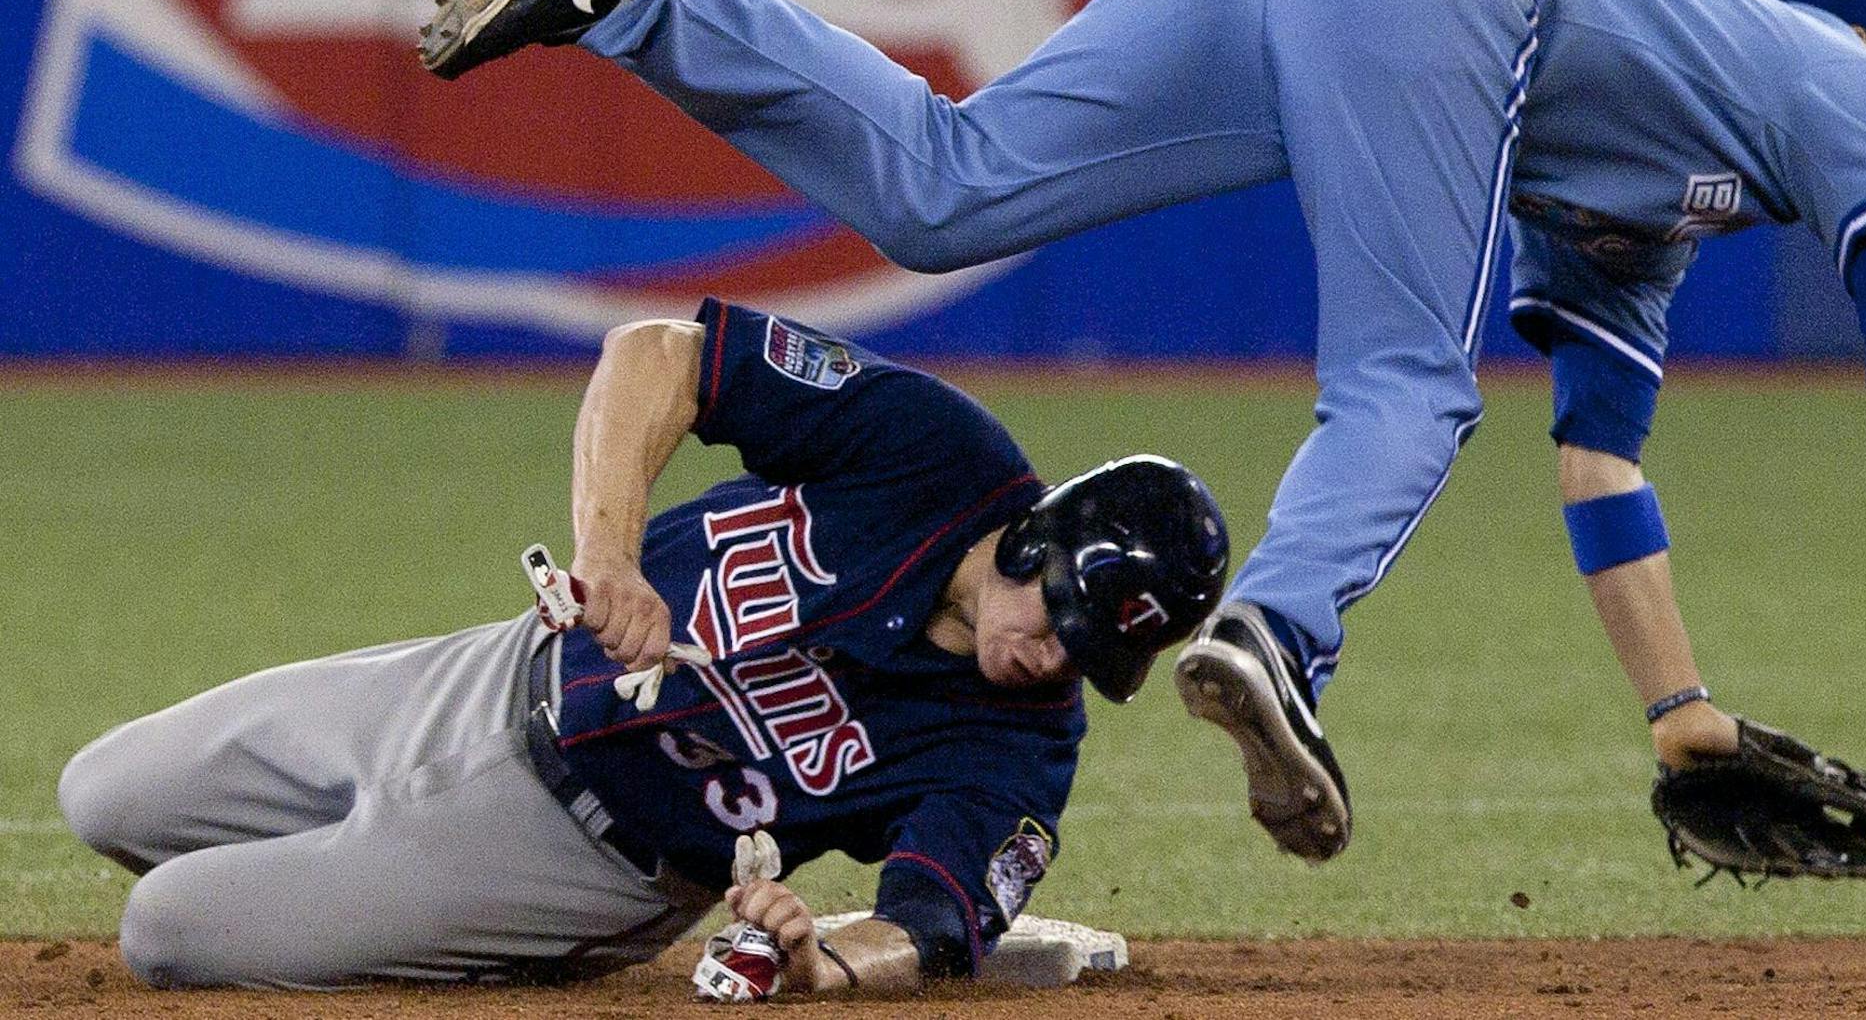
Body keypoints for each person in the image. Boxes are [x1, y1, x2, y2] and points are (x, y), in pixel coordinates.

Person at [420, 0, 1866, 865]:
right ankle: (1277, 641)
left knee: (951, 192)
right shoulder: (1832, 81)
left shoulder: (1661, 181)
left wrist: (1677, 716)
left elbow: (1602, 461)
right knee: (1407, 388)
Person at [56, 297, 1230, 991]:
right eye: (1063, 622)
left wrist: (819, 957)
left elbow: (926, 921)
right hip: (481, 669)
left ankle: (465, 932)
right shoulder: (930, 448)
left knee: (167, 930)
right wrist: (607, 557)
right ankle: (348, 873)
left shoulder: (1018, 746)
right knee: (100, 792)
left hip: (576, 863)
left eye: (1091, 658)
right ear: (1037, 542)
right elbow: (659, 354)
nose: (1056, 660)